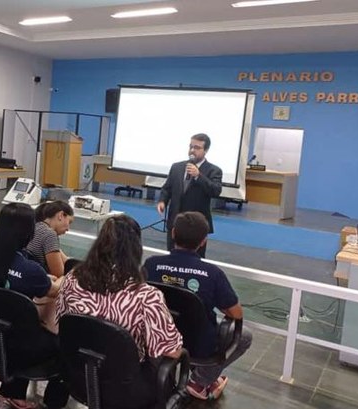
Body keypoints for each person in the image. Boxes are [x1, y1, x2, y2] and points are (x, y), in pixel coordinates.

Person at [56, 214, 183, 405]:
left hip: (78, 377)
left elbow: (60, 323)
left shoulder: (73, 278)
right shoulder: (147, 296)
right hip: (125, 389)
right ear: (136, 249)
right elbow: (171, 351)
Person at [143, 211, 252, 401]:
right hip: (198, 344)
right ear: (203, 242)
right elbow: (236, 313)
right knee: (243, 336)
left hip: (158, 337)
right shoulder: (212, 274)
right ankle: (199, 381)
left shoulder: (151, 265)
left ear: (173, 233)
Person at [0, 202, 67, 409]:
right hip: (20, 342)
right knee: (66, 345)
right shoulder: (30, 270)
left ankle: (13, 393)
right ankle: (53, 403)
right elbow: (54, 290)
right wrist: (70, 276)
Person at [157, 133, 222, 258]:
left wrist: (199, 176)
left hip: (196, 225)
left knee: (196, 261)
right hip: (175, 222)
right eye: (191, 146)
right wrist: (162, 201)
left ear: (206, 150)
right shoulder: (177, 167)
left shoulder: (214, 170)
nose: (192, 150)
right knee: (171, 257)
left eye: (197, 148)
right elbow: (167, 188)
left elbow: (215, 191)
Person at [26, 200, 74, 278]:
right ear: (61, 215)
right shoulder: (50, 234)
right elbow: (58, 274)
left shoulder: (35, 226)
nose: (68, 228)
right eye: (69, 222)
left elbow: (66, 261)